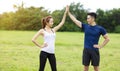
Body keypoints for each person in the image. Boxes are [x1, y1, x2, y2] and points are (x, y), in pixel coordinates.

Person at [66, 6, 110, 71]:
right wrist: (68, 12)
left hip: (94, 51)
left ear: (93, 19)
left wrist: (100, 46)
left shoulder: (100, 28)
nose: (87, 20)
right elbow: (75, 20)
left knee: (96, 68)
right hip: (86, 50)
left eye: (88, 18)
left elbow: (107, 38)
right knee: (85, 68)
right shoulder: (85, 26)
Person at [32, 7, 67, 71]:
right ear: (47, 23)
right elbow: (33, 39)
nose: (52, 23)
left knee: (54, 69)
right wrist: (41, 46)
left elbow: (61, 23)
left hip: (52, 53)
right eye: (51, 22)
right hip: (44, 52)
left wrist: (65, 13)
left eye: (52, 21)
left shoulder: (53, 30)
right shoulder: (42, 31)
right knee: (41, 69)